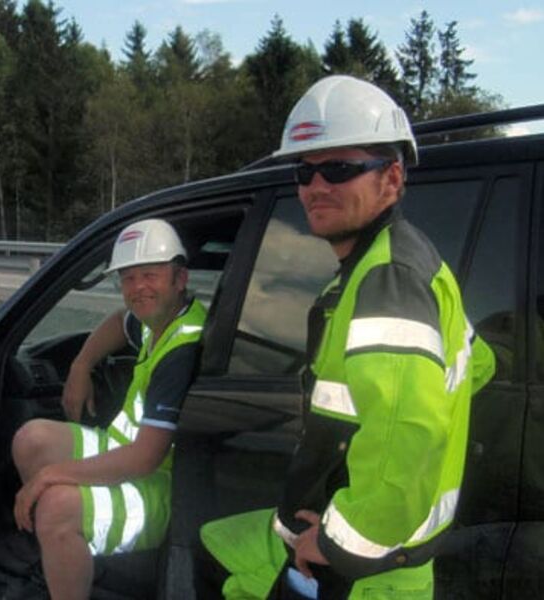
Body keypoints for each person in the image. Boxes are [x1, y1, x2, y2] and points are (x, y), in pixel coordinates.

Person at [199, 75, 496, 599]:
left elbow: (410, 430)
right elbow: (478, 365)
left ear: (392, 178)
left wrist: (342, 544)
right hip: (374, 555)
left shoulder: (388, 279)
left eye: (339, 169)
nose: (315, 186)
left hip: (368, 574)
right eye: (304, 170)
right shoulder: (395, 265)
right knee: (219, 547)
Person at [11, 218, 207, 599]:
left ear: (179, 278)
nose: (137, 288)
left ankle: (68, 576)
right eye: (129, 278)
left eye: (150, 275)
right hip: (124, 450)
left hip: (162, 484)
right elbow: (121, 322)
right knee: (30, 439)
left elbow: (145, 458)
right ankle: (64, 560)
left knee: (55, 505)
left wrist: (50, 476)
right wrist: (81, 366)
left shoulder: (184, 348)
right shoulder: (160, 319)